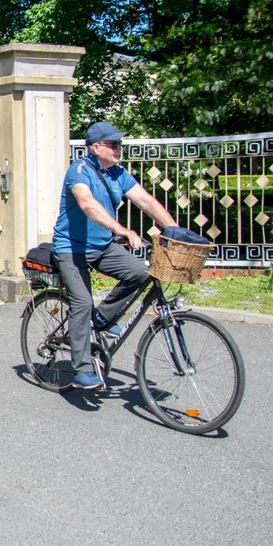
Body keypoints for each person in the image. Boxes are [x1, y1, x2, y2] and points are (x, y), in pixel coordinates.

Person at [52, 121, 179, 389]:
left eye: (119, 144)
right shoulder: (79, 171)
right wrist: (120, 228)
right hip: (71, 249)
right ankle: (82, 369)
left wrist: (175, 230)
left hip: (101, 246)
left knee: (140, 273)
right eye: (113, 144)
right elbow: (86, 204)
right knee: (82, 302)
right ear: (96, 148)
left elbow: (146, 201)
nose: (119, 149)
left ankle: (103, 318)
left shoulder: (118, 173)